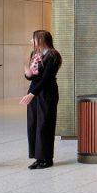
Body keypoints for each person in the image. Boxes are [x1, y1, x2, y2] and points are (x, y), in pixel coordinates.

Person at [20, 30, 62, 169]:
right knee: (33, 124)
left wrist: (32, 93)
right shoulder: (35, 54)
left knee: (44, 125)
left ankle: (46, 158)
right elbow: (32, 77)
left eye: (33, 39)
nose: (31, 41)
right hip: (34, 90)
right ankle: (37, 157)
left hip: (47, 92)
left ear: (41, 39)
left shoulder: (53, 55)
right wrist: (27, 72)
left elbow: (46, 78)